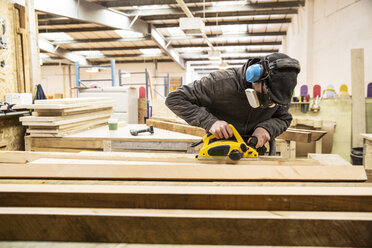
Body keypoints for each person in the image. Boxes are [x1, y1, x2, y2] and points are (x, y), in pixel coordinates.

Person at [165, 52, 300, 149]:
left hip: (254, 148)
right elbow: (175, 99)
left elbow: (284, 118)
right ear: (254, 76)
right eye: (266, 95)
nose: (268, 102)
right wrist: (210, 122)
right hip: (218, 148)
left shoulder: (280, 92)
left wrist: (266, 129)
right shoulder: (219, 83)